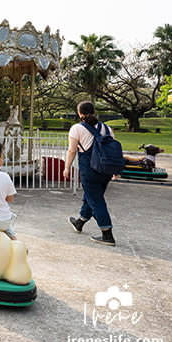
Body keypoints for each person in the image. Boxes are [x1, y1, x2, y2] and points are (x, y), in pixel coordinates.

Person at [63, 100, 116, 246]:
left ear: (79, 113)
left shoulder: (77, 128)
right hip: (105, 171)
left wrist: (67, 167)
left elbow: (72, 151)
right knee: (92, 196)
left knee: (96, 200)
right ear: (93, 112)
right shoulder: (107, 128)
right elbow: (112, 151)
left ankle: (107, 234)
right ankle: (80, 222)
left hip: (89, 170)